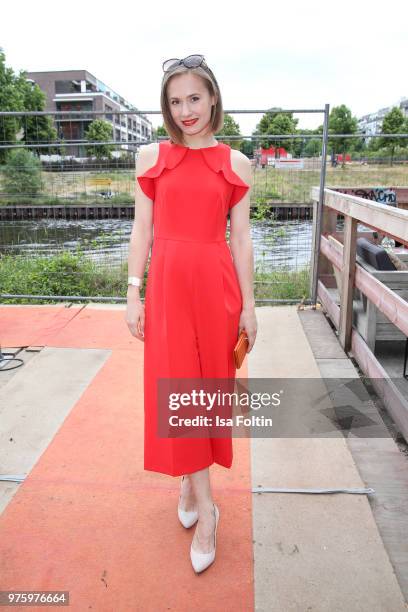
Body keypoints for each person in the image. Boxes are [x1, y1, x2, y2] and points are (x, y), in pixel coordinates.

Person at [125, 54, 257, 573]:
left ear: (213, 98)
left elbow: (242, 238)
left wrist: (250, 306)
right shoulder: (149, 157)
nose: (186, 111)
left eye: (194, 98)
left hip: (217, 288)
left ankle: (193, 485)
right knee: (178, 386)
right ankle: (208, 509)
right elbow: (142, 231)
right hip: (169, 290)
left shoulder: (237, 162)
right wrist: (133, 291)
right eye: (175, 101)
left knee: (205, 390)